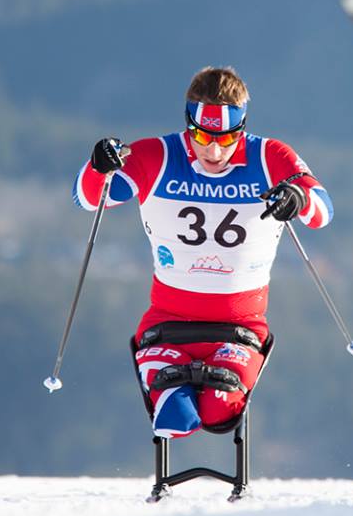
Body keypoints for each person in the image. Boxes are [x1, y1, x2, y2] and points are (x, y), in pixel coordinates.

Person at [73, 66, 332, 439]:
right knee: (174, 417)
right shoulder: (156, 155)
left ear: (241, 128)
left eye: (226, 139)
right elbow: (87, 198)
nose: (213, 150)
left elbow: (323, 211)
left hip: (240, 328)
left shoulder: (269, 156)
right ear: (188, 123)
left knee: (217, 411)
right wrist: (98, 166)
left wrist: (299, 197)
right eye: (202, 135)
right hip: (168, 321)